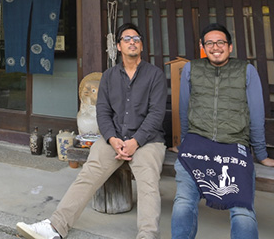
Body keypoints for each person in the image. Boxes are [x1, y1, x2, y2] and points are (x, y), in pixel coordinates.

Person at [17, 23, 167, 239]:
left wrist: (135, 141)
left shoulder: (155, 75)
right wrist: (113, 139)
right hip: (113, 138)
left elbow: (156, 114)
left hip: (148, 140)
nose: (132, 42)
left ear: (141, 45)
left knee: (148, 181)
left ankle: (147, 236)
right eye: (127, 39)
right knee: (88, 174)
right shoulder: (108, 76)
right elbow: (103, 113)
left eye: (136, 38)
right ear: (118, 46)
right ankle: (55, 227)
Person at [172, 22, 274, 239]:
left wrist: (261, 155)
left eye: (221, 42)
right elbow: (184, 110)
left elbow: (256, 115)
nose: (216, 47)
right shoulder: (191, 68)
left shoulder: (246, 70)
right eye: (210, 43)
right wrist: (184, 144)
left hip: (234, 145)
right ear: (202, 46)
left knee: (242, 209)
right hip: (197, 143)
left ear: (230, 46)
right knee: (183, 203)